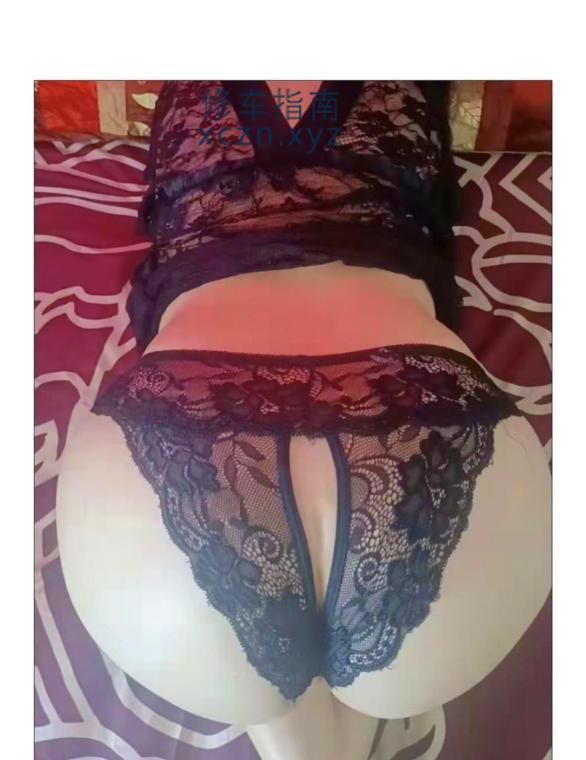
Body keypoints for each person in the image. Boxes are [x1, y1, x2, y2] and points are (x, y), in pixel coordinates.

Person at [56, 81, 551, 760]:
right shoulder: (409, 77)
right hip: (420, 394)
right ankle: (350, 717)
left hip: (182, 420)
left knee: (255, 687)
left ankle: (310, 721)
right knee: (337, 688)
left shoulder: (188, 83)